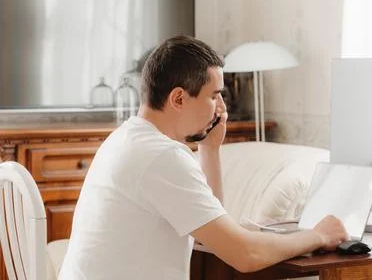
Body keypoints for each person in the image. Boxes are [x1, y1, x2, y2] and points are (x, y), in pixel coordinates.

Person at [59, 36, 349, 280]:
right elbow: (246, 255)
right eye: (214, 95)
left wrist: (210, 149)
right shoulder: (162, 156)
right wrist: (319, 235)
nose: (221, 107)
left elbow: (205, 232)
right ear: (179, 99)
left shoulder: (127, 138)